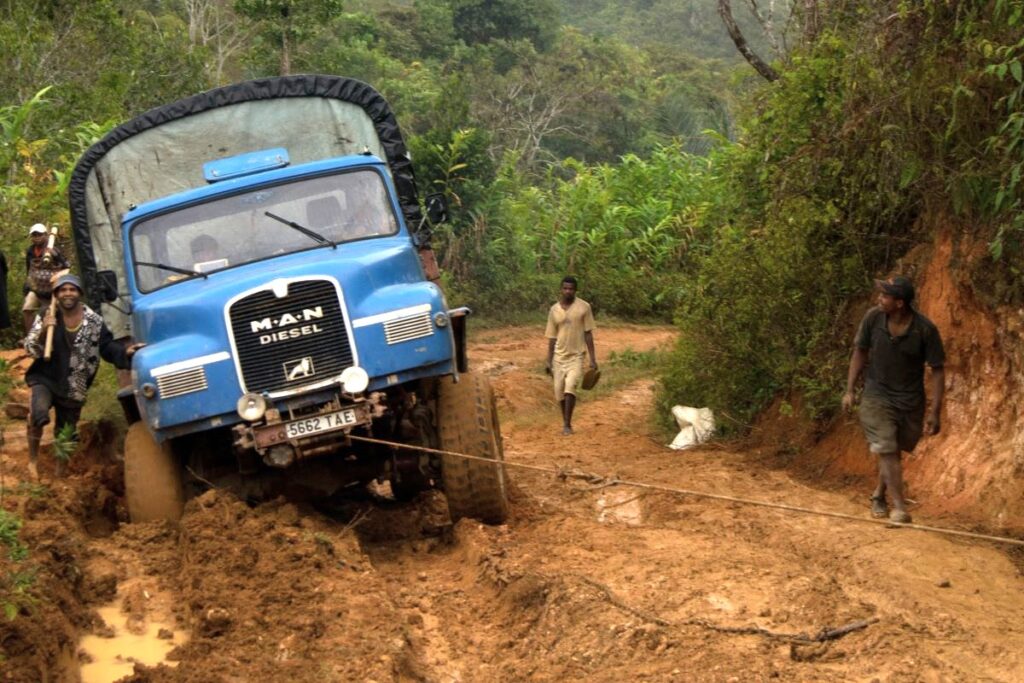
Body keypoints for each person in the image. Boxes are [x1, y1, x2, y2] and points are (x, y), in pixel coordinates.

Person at [842, 275, 945, 524]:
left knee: (894, 448)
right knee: (886, 446)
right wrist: (850, 389)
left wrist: (935, 411)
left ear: (899, 303)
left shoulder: (925, 329)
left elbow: (938, 369)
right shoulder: (873, 318)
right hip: (877, 394)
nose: (879, 299)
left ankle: (879, 494)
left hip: (910, 399)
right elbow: (860, 351)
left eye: (885, 296)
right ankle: (899, 508)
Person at [23, 274, 142, 479]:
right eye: (62, 290)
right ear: (56, 294)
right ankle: (32, 462)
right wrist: (43, 330)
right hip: (46, 375)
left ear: (79, 293)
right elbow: (30, 347)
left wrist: (126, 353)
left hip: (75, 382)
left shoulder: (94, 321)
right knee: (38, 413)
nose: (67, 293)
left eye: (72, 289)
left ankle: (60, 473)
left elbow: (106, 347)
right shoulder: (47, 314)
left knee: (66, 429)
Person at [545, 276, 597, 436]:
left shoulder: (584, 307)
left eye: (571, 289)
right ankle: (565, 421)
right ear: (561, 289)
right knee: (559, 392)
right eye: (565, 288)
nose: (568, 291)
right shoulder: (554, 310)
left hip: (576, 356)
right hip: (559, 357)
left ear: (575, 290)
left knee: (570, 388)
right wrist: (548, 360)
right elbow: (552, 336)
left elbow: (588, 333)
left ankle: (567, 424)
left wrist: (593, 359)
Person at [22, 223, 69, 334]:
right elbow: (29, 269)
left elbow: (66, 266)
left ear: (46, 235)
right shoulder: (30, 251)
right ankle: (31, 337)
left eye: (40, 235)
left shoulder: (54, 248)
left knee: (53, 313)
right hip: (36, 288)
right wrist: (27, 283)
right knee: (27, 308)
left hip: (53, 289)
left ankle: (58, 338)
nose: (37, 238)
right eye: (34, 235)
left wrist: (57, 256)